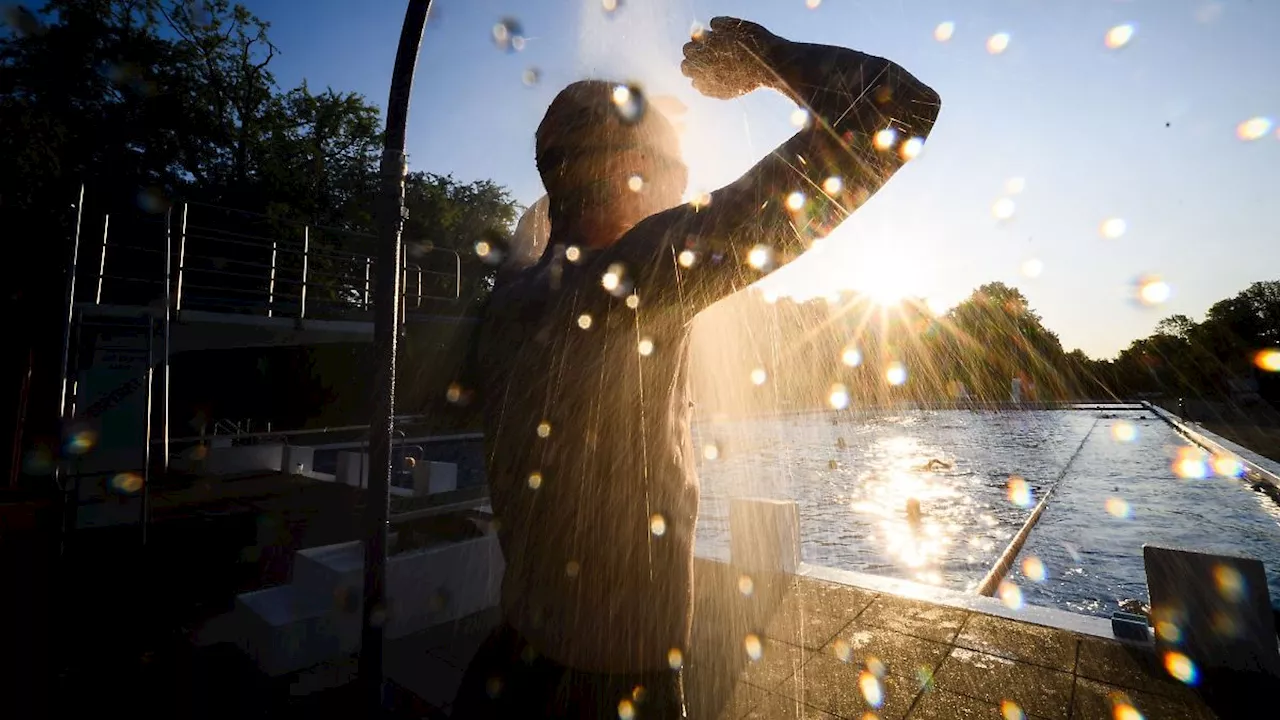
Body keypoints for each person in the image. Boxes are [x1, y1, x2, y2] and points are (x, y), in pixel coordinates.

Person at [452, 16, 940, 718]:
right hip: (607, 693)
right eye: (676, 167)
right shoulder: (634, 281)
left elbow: (549, 197)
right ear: (633, 174)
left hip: (506, 670)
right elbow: (902, 110)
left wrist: (635, 125)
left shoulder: (514, 289)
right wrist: (760, 57)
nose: (686, 182)